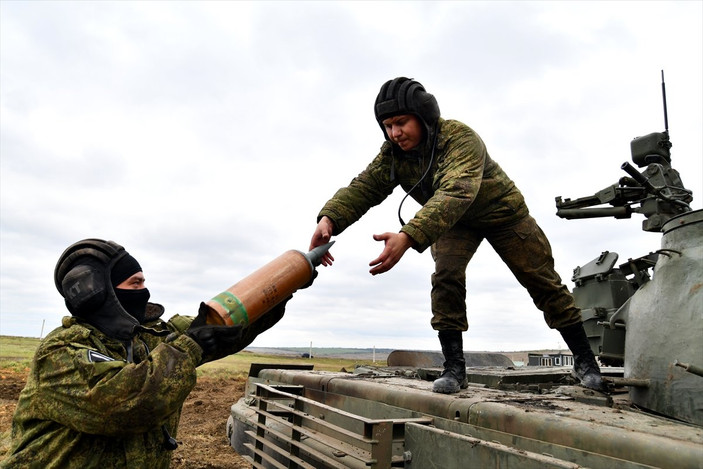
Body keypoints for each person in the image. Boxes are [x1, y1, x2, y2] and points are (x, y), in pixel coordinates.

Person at [309, 77, 604, 394]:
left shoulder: (459, 138)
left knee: (541, 280)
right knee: (446, 276)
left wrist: (408, 236)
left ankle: (586, 361)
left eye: (401, 122)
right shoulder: (393, 154)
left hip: (502, 213)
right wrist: (330, 218)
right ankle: (454, 368)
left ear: (423, 116)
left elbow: (456, 191)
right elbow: (364, 187)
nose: (395, 133)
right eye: (387, 125)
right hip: (455, 221)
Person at [2, 238, 293, 468]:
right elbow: (132, 403)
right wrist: (191, 346)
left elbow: (224, 329)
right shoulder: (61, 352)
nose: (145, 292)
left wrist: (285, 284)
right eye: (135, 283)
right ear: (98, 293)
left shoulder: (150, 337)